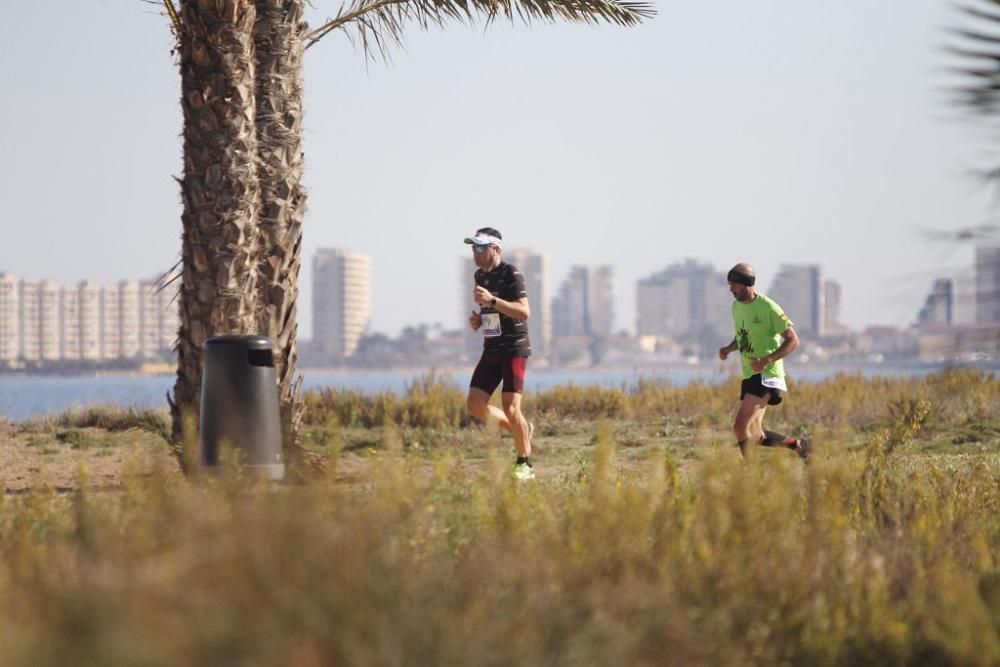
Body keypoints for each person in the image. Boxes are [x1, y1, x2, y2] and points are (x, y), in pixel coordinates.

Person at [718, 262, 812, 462]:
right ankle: (800, 445)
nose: (730, 289)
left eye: (734, 284)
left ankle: (751, 479)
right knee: (757, 435)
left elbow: (793, 340)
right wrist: (728, 348)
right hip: (750, 374)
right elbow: (742, 337)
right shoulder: (736, 307)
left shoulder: (768, 307)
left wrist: (767, 360)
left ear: (747, 283)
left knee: (739, 427)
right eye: (729, 284)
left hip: (767, 374)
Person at [463, 227, 536, 480]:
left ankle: (524, 464)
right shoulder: (478, 275)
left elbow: (524, 312)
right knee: (474, 405)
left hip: (514, 347)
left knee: (511, 408)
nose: (476, 253)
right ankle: (523, 431)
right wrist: (479, 321)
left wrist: (492, 300)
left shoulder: (511, 273)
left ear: (496, 249)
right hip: (492, 347)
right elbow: (490, 313)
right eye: (473, 248)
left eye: (481, 248)